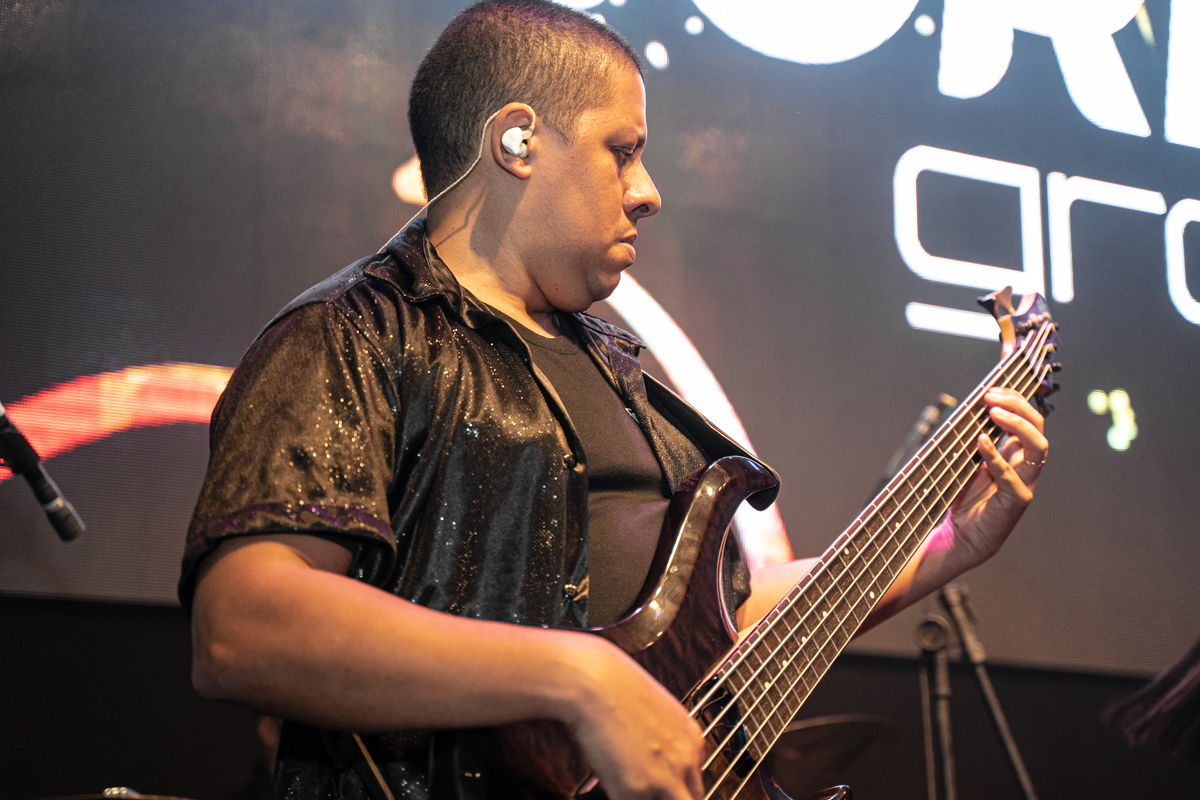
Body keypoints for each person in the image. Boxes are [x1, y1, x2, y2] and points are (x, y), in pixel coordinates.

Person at [180, 2, 1050, 799]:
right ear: (517, 141)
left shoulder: (620, 373)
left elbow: (717, 622)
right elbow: (242, 626)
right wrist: (577, 676)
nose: (648, 190)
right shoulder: (352, 334)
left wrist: (939, 549)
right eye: (622, 150)